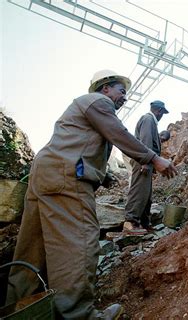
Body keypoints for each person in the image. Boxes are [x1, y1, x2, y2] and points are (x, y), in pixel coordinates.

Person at [6, 70, 177, 319]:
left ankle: (18, 308)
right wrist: (155, 159)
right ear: (105, 88)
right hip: (65, 178)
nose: (124, 98)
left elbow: (80, 144)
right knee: (80, 243)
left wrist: (104, 175)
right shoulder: (99, 102)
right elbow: (119, 134)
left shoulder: (86, 108)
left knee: (34, 245)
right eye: (122, 91)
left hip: (46, 174)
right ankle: (79, 314)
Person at [123, 100, 169, 234]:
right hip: (143, 161)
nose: (162, 117)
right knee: (139, 190)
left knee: (145, 193)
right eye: (162, 114)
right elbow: (146, 140)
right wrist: (145, 161)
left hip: (146, 162)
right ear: (159, 111)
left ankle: (144, 223)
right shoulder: (148, 119)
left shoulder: (150, 121)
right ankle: (130, 222)